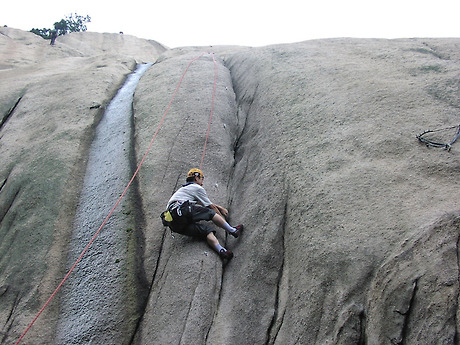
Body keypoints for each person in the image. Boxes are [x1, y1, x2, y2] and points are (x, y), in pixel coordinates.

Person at [162, 168, 243, 261]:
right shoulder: (197, 188)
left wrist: (220, 207)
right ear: (196, 177)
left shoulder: (184, 190)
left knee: (206, 231)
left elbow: (202, 202)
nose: (202, 182)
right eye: (202, 178)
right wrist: (224, 221)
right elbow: (211, 207)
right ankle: (233, 230)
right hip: (181, 210)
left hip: (174, 223)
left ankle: (223, 251)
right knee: (210, 213)